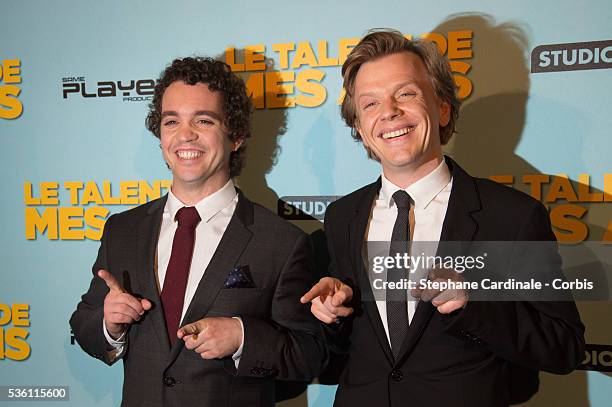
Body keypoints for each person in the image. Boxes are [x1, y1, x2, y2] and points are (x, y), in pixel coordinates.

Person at [301, 29, 585, 407]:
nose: (389, 112)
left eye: (406, 94)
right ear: (359, 128)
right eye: (369, 104)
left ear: (443, 107)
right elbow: (346, 346)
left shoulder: (511, 216)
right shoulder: (341, 217)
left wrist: (474, 304)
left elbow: (564, 347)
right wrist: (333, 314)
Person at [70, 56, 326, 407]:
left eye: (203, 120)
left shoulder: (282, 242)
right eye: (171, 121)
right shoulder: (123, 230)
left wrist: (242, 337)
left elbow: (310, 353)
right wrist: (109, 326)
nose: (184, 134)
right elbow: (84, 324)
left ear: (235, 136)